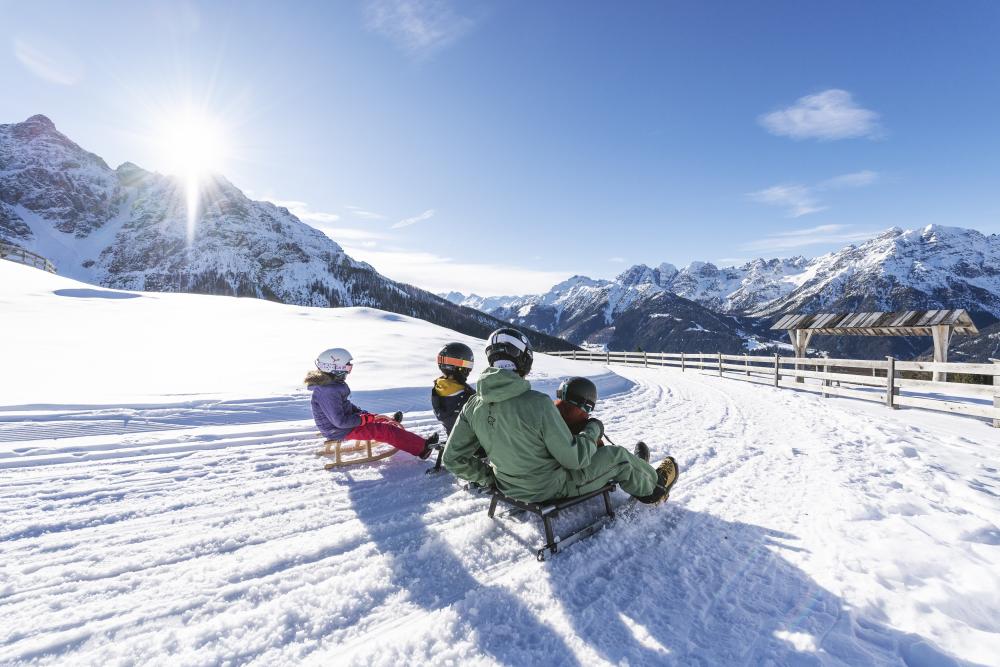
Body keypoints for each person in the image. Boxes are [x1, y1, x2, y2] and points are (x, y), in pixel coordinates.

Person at [443, 328, 678, 504]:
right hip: (552, 488)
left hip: (508, 485)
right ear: (525, 361)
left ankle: (639, 471)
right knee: (618, 456)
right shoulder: (538, 404)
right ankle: (655, 489)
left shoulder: (473, 405)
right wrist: (594, 429)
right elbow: (575, 460)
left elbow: (452, 458)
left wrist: (490, 477)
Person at [306, 347, 439, 458]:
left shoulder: (332, 386)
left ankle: (385, 421)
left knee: (374, 418)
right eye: (347, 368)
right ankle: (423, 449)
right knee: (385, 431)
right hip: (337, 430)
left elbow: (343, 406)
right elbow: (340, 421)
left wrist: (362, 414)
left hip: (340, 425)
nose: (348, 371)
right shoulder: (328, 391)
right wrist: (362, 419)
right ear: (334, 368)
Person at [431, 342, 476, 436]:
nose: (469, 370)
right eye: (467, 365)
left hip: (453, 440)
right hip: (473, 446)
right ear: (457, 366)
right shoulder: (468, 396)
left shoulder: (438, 388)